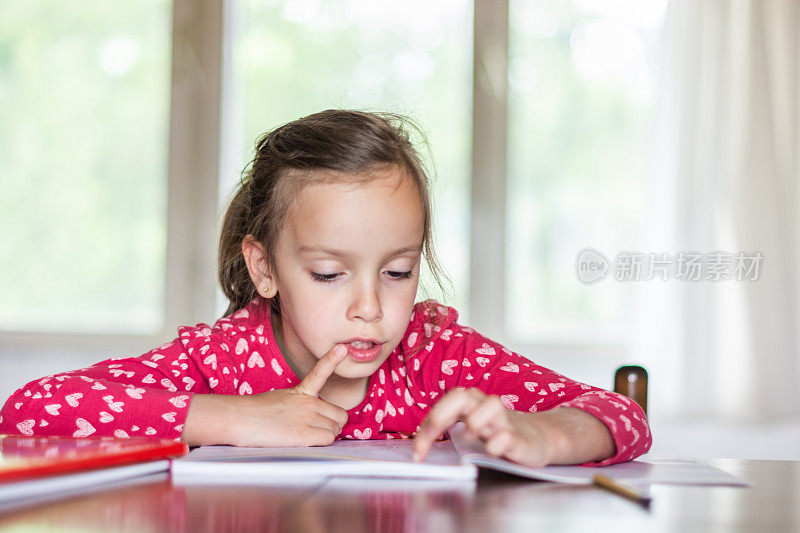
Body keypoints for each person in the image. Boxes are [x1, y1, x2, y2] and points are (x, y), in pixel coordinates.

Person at [0, 110, 651, 467]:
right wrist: (229, 415)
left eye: (397, 271)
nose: (370, 306)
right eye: (329, 273)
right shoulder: (221, 361)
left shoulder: (432, 352)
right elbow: (28, 408)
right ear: (265, 269)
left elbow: (620, 415)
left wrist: (543, 435)